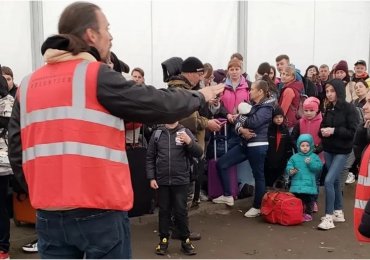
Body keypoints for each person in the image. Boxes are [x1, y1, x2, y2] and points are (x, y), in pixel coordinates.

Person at [7, 2, 224, 259]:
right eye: (106, 29)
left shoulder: (27, 85)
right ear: (91, 35)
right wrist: (199, 96)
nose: (111, 36)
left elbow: (16, 149)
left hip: (48, 212)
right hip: (100, 209)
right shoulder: (94, 75)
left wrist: (40, 191)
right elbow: (158, 104)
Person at [212, 79, 274, 217]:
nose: (250, 91)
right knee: (221, 164)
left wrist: (241, 118)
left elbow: (253, 122)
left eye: (252, 89)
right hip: (244, 144)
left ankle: (257, 207)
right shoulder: (252, 105)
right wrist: (241, 129)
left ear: (260, 92)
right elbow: (237, 123)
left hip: (257, 146)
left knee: (258, 176)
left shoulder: (267, 108)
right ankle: (227, 195)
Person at [146, 121, 203, 256]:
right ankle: (163, 240)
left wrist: (189, 142)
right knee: (164, 212)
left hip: (181, 180)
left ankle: (186, 241)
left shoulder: (185, 132)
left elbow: (199, 153)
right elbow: (150, 157)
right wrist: (151, 178)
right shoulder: (157, 133)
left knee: (181, 212)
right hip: (162, 181)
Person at [317, 79, 357, 230]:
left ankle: (328, 217)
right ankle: (338, 212)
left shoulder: (349, 109)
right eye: (327, 91)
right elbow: (322, 126)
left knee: (328, 180)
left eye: (332, 91)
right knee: (333, 181)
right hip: (328, 149)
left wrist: (333, 131)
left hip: (342, 151)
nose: (329, 94)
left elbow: (352, 132)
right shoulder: (328, 108)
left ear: (339, 91)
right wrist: (322, 131)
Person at [290, 97, 323, 212]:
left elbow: (326, 141)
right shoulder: (300, 122)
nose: (308, 113)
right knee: (302, 178)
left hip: (317, 157)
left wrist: (317, 150)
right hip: (300, 158)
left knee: (315, 180)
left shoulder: (322, 122)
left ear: (317, 110)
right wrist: (298, 149)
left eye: (311, 110)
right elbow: (293, 137)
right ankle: (301, 202)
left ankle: (313, 201)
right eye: (306, 110)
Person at [286, 134, 323, 222]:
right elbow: (289, 166)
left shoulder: (314, 157)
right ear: (299, 146)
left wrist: (310, 163)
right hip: (296, 184)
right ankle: (298, 212)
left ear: (311, 146)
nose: (305, 148)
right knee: (297, 200)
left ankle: (308, 213)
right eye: (303, 146)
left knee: (309, 200)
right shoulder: (294, 157)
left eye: (307, 145)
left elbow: (318, 167)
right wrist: (291, 171)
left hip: (309, 185)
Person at [264, 105, 292, 188]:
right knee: (268, 184)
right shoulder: (268, 130)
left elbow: (288, 146)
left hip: (281, 163)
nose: (279, 119)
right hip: (268, 163)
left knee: (278, 184)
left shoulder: (285, 130)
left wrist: (289, 159)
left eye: (281, 117)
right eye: (276, 117)